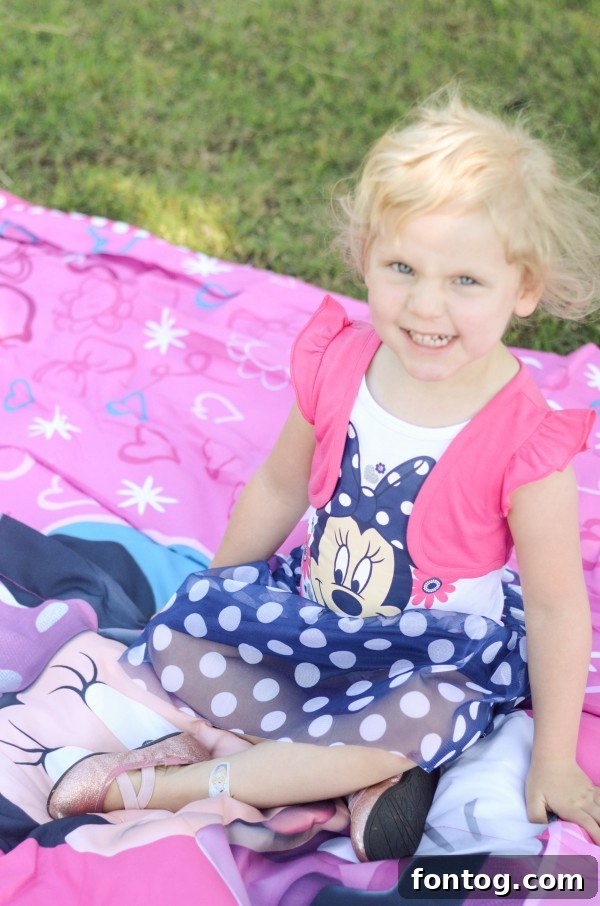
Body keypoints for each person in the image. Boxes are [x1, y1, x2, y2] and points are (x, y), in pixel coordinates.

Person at [47, 88, 600, 861]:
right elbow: (278, 486)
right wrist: (218, 596)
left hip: (431, 654)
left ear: (526, 289)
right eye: (402, 267)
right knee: (181, 649)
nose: (426, 305)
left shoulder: (524, 438)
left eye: (466, 282)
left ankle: (174, 784)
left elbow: (554, 605)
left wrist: (553, 758)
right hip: (312, 625)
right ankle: (346, 783)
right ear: (365, 256)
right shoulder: (341, 362)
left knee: (411, 725)